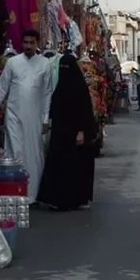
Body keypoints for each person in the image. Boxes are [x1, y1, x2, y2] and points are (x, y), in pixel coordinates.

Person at [0, 29, 55, 201]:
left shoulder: (45, 64)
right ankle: (14, 193)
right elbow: (2, 89)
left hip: (35, 118)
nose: (28, 46)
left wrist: (45, 118)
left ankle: (33, 195)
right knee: (14, 152)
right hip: (14, 116)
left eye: (31, 43)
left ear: (37, 44)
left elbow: (47, 93)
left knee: (34, 155)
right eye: (25, 42)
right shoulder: (12, 63)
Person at [39, 53, 98, 210]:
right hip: (60, 134)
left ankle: (77, 199)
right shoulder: (60, 88)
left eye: (67, 67)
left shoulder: (80, 89)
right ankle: (57, 199)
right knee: (59, 165)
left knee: (76, 166)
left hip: (76, 135)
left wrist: (81, 132)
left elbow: (85, 113)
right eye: (62, 68)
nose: (64, 70)